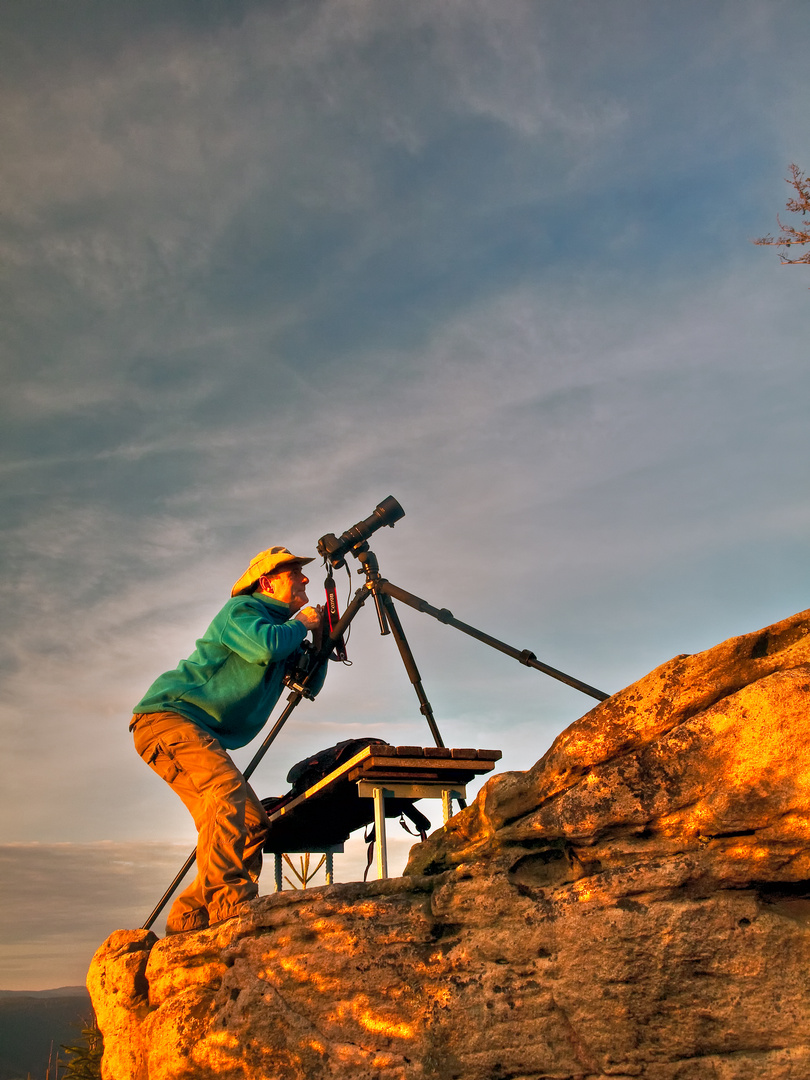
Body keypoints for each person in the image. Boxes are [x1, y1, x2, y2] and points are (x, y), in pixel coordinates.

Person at [130, 546, 326, 933]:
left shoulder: (284, 631)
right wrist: (303, 623)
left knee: (251, 822)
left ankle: (189, 919)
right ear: (267, 582)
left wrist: (320, 641)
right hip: (169, 718)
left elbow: (308, 684)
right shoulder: (243, 613)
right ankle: (230, 908)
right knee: (226, 798)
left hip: (193, 730)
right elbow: (266, 646)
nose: (305, 579)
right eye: (294, 574)